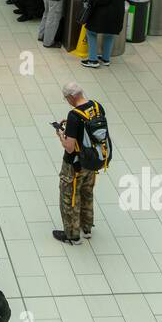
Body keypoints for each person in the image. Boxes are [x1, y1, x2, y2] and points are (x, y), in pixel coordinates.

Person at [53, 82, 102, 244]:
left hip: (74, 164)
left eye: (66, 98)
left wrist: (61, 133)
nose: (67, 101)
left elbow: (69, 147)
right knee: (87, 192)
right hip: (93, 160)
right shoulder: (96, 106)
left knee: (70, 196)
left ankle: (72, 235)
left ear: (71, 97)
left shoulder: (74, 116)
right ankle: (86, 228)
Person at [79, 0, 127, 69]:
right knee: (109, 35)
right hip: (117, 14)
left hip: (104, 14)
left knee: (91, 32)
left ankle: (92, 60)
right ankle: (106, 59)